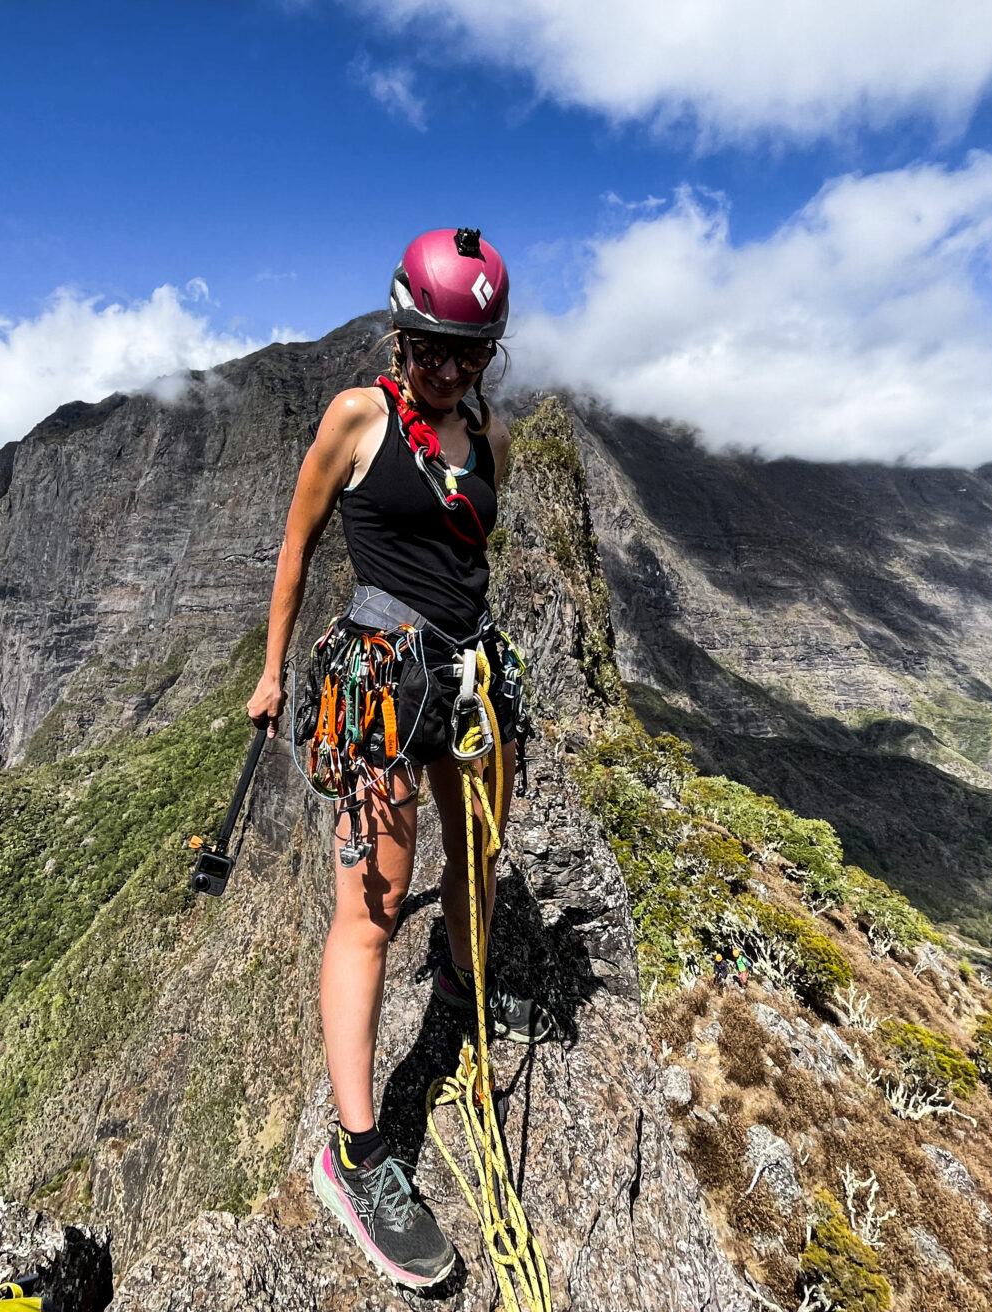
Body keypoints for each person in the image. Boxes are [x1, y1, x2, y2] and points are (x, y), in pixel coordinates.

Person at [246, 227, 556, 1288]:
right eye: (431, 347)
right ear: (401, 330)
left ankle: (465, 985)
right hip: (379, 691)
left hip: (464, 683)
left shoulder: (492, 439)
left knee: (479, 854)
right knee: (371, 914)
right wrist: (273, 670)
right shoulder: (357, 419)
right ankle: (358, 1155)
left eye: (468, 353)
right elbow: (297, 542)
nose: (448, 369)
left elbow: (465, 561)